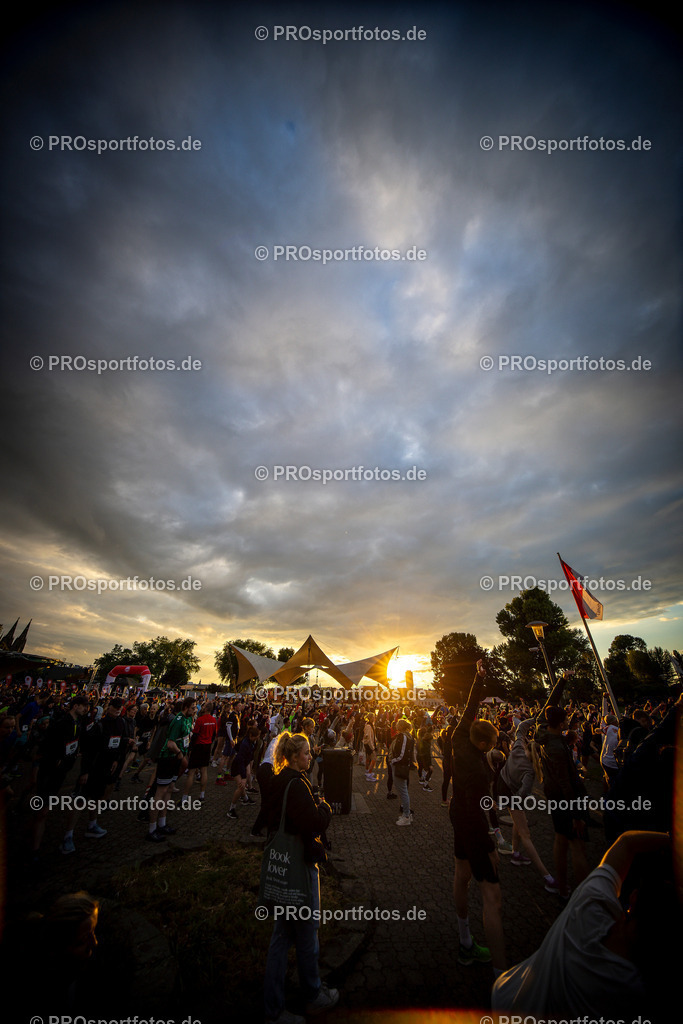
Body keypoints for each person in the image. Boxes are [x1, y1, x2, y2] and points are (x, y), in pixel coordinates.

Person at [491, 831, 675, 1017]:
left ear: (634, 898)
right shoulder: (634, 993)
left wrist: (672, 839)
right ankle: (542, 872)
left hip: (505, 999)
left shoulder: (589, 908)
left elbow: (626, 843)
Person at [263, 731, 339, 1024]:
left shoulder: (279, 780)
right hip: (299, 865)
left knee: (281, 936)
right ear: (295, 757)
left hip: (283, 866)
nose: (311, 756)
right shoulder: (296, 785)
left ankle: (273, 1008)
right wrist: (324, 806)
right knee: (307, 932)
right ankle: (313, 994)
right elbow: (314, 822)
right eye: (306, 753)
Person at [449, 660, 505, 972]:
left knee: (461, 876)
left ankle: (465, 941)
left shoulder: (459, 738)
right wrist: (491, 843)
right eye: (492, 746)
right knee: (492, 897)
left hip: (457, 815)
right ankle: (501, 976)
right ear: (483, 744)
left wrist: (478, 677)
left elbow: (470, 707)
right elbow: (484, 809)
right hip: (471, 824)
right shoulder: (480, 772)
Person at [389, 719, 416, 825]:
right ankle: (406, 814)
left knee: (403, 790)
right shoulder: (407, 736)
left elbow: (402, 753)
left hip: (400, 765)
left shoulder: (404, 736)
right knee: (402, 790)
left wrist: (393, 760)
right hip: (401, 764)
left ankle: (406, 816)